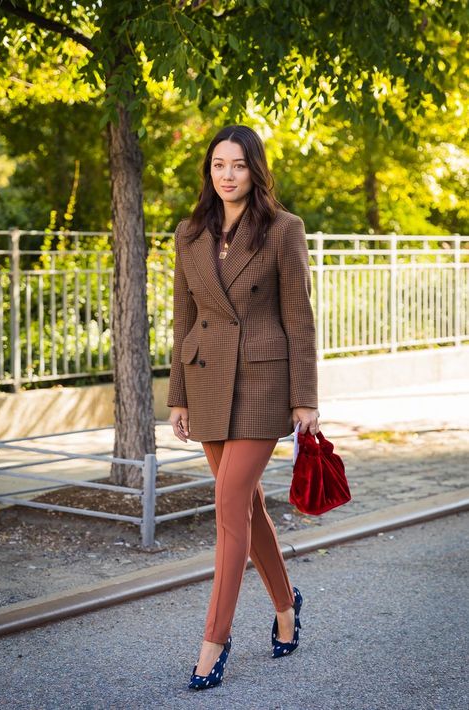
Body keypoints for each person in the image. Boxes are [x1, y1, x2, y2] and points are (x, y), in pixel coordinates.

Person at [167, 124, 319, 690]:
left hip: (261, 383)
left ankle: (214, 641)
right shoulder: (189, 233)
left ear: (255, 170)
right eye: (218, 165)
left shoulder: (283, 230)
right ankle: (286, 605)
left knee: (228, 505)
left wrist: (306, 400)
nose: (227, 175)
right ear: (209, 172)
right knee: (245, 508)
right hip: (206, 382)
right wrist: (177, 394)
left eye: (238, 165)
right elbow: (183, 319)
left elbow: (298, 318)